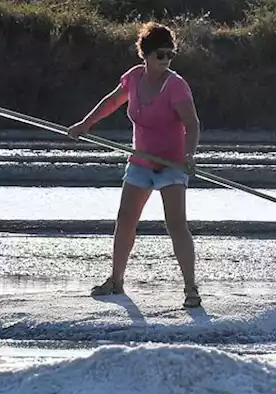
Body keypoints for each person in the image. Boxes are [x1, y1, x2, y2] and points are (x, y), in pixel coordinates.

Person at [67, 21, 202, 309]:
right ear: (146, 54)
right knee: (125, 219)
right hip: (141, 161)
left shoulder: (176, 86)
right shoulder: (134, 78)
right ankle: (116, 281)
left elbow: (192, 124)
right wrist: (85, 125)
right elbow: (112, 101)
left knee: (176, 224)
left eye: (170, 55)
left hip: (171, 164)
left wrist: (189, 157)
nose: (165, 60)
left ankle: (191, 288)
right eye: (160, 55)